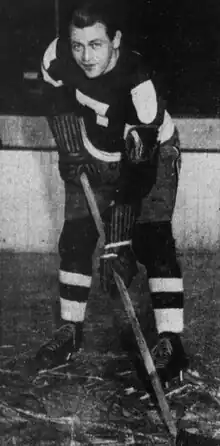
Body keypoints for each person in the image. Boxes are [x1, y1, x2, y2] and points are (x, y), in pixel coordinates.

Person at [28, 0, 189, 388]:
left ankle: (171, 342)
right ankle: (70, 331)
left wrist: (118, 240)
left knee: (151, 242)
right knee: (76, 238)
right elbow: (57, 98)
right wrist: (70, 147)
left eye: (96, 45)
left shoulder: (140, 85)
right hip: (94, 150)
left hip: (150, 156)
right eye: (78, 44)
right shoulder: (57, 55)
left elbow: (137, 175)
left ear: (116, 40)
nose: (85, 56)